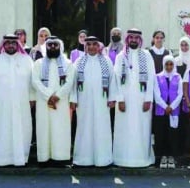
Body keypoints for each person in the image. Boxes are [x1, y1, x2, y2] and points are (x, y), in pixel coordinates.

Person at [0, 35, 35, 167]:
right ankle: (1, 159)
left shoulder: (27, 60)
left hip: (22, 102)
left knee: (22, 128)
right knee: (1, 129)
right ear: (3, 45)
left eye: (13, 43)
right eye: (8, 43)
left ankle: (20, 158)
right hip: (0, 103)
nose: (11, 45)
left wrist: (32, 98)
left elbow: (32, 81)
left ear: (18, 44)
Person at [70, 36, 118, 167]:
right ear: (85, 46)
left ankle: (103, 159)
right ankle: (83, 159)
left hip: (102, 101)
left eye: (94, 44)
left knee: (102, 128)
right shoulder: (78, 62)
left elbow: (112, 80)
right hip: (83, 101)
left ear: (99, 46)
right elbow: (73, 83)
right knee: (84, 128)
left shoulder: (106, 61)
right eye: (89, 44)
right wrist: (73, 99)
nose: (91, 47)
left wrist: (112, 98)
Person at [113, 29, 156, 168]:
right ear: (127, 39)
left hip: (142, 99)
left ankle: (142, 158)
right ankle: (122, 159)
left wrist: (148, 98)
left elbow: (151, 77)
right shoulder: (121, 56)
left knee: (141, 128)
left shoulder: (147, 55)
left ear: (140, 40)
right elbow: (116, 79)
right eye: (131, 37)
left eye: (136, 38)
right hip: (124, 100)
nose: (133, 40)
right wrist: (120, 99)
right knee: (124, 129)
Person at [32, 36, 76, 166]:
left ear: (60, 47)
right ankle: (44, 158)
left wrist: (57, 96)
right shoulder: (38, 63)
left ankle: (60, 158)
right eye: (49, 45)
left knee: (60, 129)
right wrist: (49, 96)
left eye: (55, 45)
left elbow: (69, 83)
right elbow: (35, 81)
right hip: (43, 102)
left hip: (61, 103)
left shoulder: (68, 63)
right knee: (43, 128)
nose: (52, 47)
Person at [153, 55, 183, 169]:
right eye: (167, 64)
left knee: (173, 134)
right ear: (163, 64)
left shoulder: (178, 76)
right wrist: (166, 106)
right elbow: (156, 94)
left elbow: (180, 94)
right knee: (161, 134)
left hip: (173, 111)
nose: (169, 66)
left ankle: (171, 157)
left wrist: (172, 106)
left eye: (171, 64)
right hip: (161, 110)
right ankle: (161, 157)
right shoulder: (157, 77)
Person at [174, 36, 190, 163]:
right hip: (176, 97)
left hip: (189, 97)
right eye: (182, 45)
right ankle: (178, 150)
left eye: (186, 45)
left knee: (187, 123)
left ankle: (187, 152)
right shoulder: (175, 61)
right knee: (178, 123)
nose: (184, 47)